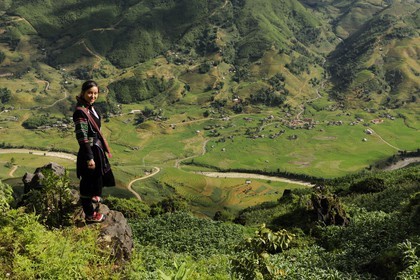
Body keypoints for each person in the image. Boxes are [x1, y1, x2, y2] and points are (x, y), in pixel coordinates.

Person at [73, 80, 115, 223]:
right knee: (87, 185)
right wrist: (89, 157)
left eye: (95, 93)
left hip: (96, 150)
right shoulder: (80, 112)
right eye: (90, 93)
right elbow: (82, 137)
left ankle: (94, 206)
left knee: (97, 181)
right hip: (88, 152)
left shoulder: (91, 108)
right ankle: (90, 216)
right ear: (83, 93)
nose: (93, 96)